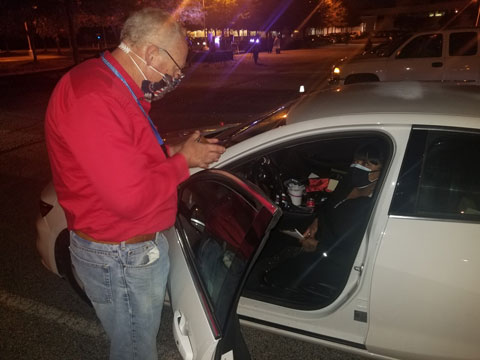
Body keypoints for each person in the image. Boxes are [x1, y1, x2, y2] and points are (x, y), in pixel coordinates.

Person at [44, 8, 225, 360]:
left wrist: (172, 151)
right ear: (150, 53)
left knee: (134, 342)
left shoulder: (113, 84)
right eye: (174, 69)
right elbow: (128, 197)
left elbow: (127, 155)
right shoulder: (94, 98)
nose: (175, 77)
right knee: (134, 351)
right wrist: (182, 162)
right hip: (120, 256)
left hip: (126, 250)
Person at [264, 142, 384, 291]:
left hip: (331, 258)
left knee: (276, 278)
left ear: (382, 170)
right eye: (356, 161)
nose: (357, 166)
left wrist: (318, 247)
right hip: (319, 236)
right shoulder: (349, 182)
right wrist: (316, 221)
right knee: (274, 231)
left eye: (366, 163)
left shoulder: (377, 205)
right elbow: (329, 205)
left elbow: (353, 254)